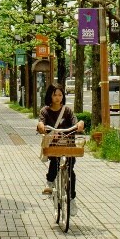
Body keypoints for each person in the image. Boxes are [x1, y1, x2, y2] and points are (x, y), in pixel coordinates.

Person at [37, 84, 85, 213]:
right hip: (53, 146)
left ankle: (72, 199)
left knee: (70, 170)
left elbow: (75, 122)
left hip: (69, 145)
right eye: (55, 95)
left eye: (60, 95)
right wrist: (41, 125)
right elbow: (41, 122)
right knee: (54, 161)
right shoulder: (45, 111)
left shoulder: (67, 111)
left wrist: (80, 123)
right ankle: (50, 181)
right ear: (50, 96)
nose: (58, 98)